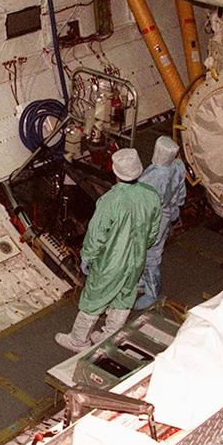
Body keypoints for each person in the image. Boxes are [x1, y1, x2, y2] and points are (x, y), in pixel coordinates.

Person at [55, 148, 161, 353]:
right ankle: (109, 336)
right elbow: (153, 232)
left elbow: (96, 235)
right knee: (124, 297)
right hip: (136, 260)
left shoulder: (110, 201)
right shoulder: (151, 195)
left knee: (94, 299)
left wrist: (87, 256)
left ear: (116, 172)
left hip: (111, 263)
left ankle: (79, 340)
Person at [134, 136, 188, 310]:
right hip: (165, 216)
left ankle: (152, 293)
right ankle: (143, 281)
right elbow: (180, 192)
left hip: (153, 221)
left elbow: (141, 202)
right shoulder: (177, 166)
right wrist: (175, 208)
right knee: (147, 253)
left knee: (150, 255)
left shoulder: (156, 176)